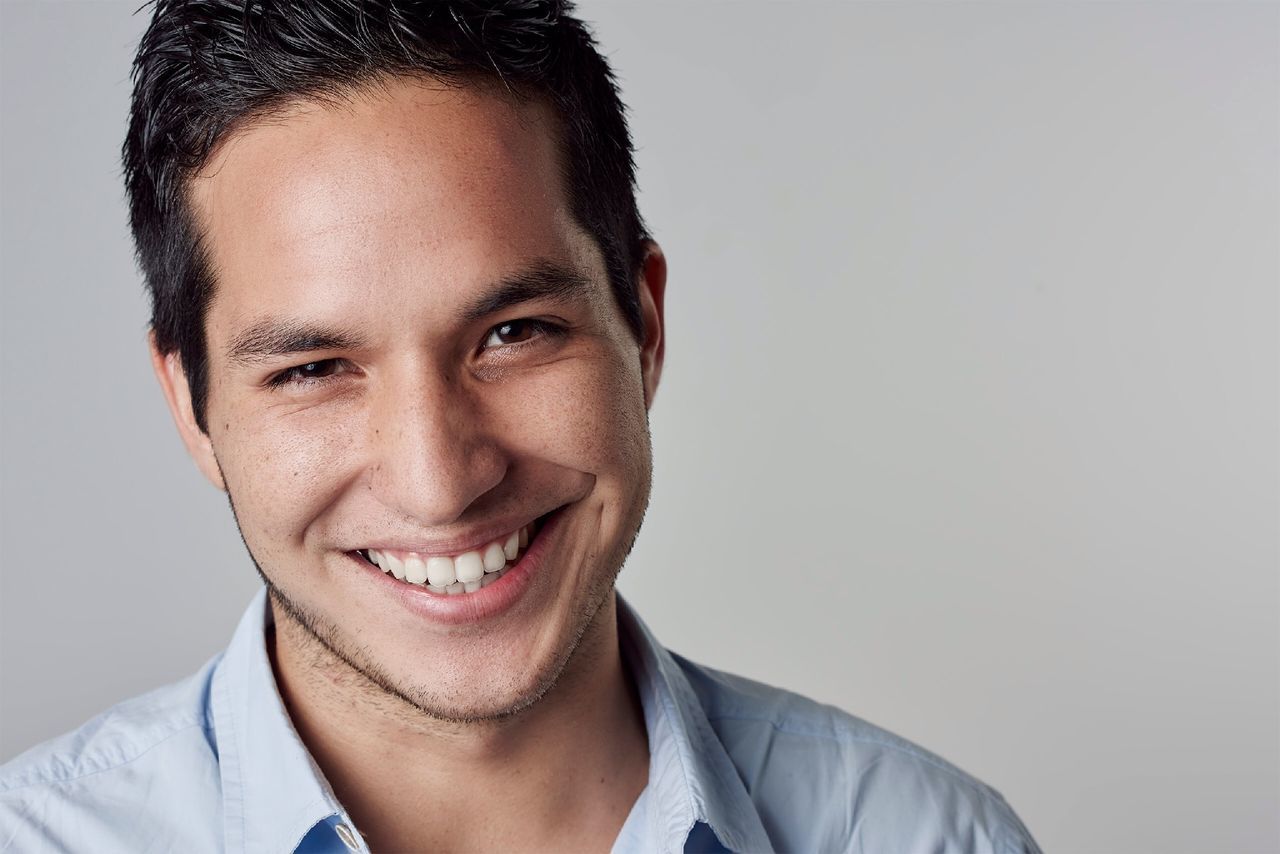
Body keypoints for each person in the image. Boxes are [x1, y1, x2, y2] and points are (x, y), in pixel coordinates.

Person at [0, 2, 1040, 851]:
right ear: (190, 403)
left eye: (512, 332)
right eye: (315, 368)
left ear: (642, 325)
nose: (436, 479)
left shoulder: (925, 837)